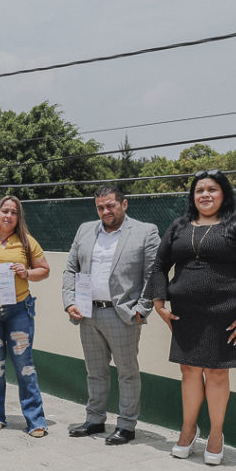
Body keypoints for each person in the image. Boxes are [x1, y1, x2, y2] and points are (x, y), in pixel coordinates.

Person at [144, 171, 236, 465]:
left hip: (226, 315)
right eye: (199, 190)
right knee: (189, 371)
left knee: (217, 373)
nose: (205, 194)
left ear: (224, 194)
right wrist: (159, 304)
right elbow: (159, 266)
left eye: (212, 189)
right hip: (185, 313)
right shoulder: (179, 226)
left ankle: (216, 434)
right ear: (193, 196)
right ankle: (189, 430)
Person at [62, 185, 160, 445]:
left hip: (122, 314)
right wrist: (69, 301)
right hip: (87, 312)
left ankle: (127, 426)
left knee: (127, 372)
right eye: (100, 207)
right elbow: (70, 269)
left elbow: (154, 274)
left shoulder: (145, 231)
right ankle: (95, 420)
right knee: (95, 371)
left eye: (110, 205)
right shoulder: (85, 230)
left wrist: (142, 309)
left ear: (124, 204)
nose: (105, 211)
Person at [0, 195, 51, 437]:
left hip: (19, 310)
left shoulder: (26, 242)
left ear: (18, 217)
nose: (8, 215)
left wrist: (26, 272)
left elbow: (44, 270)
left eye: (13, 212)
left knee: (24, 365)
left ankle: (35, 420)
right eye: (5, 211)